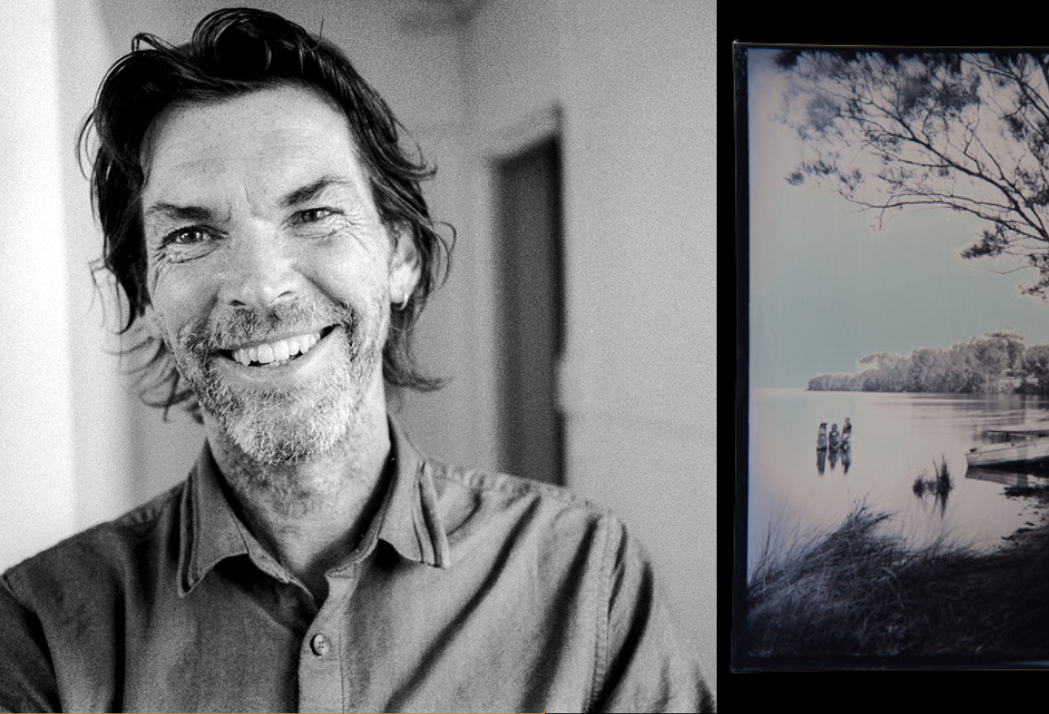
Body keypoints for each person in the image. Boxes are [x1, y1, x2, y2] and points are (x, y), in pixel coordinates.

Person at [0, 9, 713, 713]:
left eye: (312, 214)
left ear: (400, 257)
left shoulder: (585, 579)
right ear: (148, 295)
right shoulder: (40, 632)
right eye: (190, 233)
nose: (260, 285)